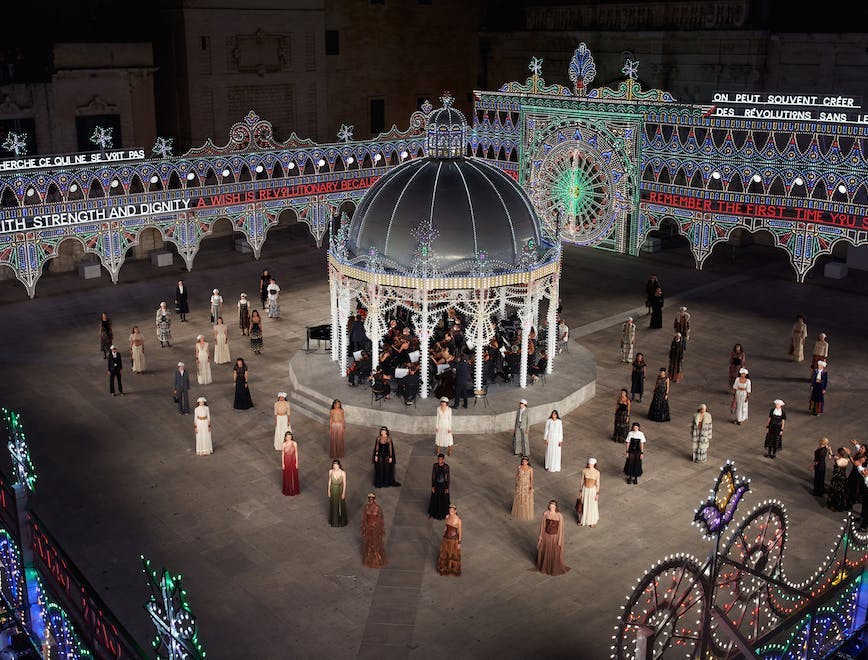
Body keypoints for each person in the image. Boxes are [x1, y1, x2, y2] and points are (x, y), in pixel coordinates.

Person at [537, 500, 569, 575]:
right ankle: (545, 566)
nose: (552, 507)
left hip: (555, 536)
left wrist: (560, 540)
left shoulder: (559, 515)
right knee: (546, 549)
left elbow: (561, 529)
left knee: (554, 551)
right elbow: (543, 526)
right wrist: (541, 536)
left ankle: (552, 566)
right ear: (549, 506)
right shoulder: (546, 513)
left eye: (553, 506)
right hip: (546, 535)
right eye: (550, 506)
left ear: (556, 507)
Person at [360, 493, 386, 568]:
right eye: (369, 499)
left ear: (374, 499)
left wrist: (379, 528)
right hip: (369, 527)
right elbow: (364, 518)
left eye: (372, 499)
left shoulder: (378, 508)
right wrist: (365, 527)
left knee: (375, 542)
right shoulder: (366, 507)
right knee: (369, 543)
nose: (371, 500)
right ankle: (369, 556)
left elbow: (380, 519)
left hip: (375, 527)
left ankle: (376, 557)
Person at [437, 504, 462, 576]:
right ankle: (445, 568)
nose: (450, 512)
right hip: (446, 538)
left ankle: (451, 570)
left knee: (452, 554)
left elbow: (460, 532)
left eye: (452, 511)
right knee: (445, 553)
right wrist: (445, 530)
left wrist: (459, 543)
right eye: (449, 511)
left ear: (455, 511)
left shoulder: (459, 520)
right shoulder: (447, 517)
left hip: (453, 540)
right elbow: (446, 526)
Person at [577, 458, 600, 527]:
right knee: (584, 504)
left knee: (592, 505)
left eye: (591, 463)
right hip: (585, 489)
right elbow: (582, 481)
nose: (590, 464)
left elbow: (598, 483)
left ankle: (592, 521)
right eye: (589, 463)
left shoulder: (597, 472)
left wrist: (597, 493)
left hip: (592, 490)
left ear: (594, 464)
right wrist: (580, 491)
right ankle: (582, 520)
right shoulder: (584, 470)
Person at [828, 447, 852, 511]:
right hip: (843, 477)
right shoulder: (846, 460)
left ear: (839, 454)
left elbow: (835, 460)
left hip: (837, 477)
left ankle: (834, 505)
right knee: (842, 491)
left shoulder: (837, 461)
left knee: (835, 491)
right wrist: (831, 451)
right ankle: (842, 504)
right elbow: (836, 457)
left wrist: (830, 456)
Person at [511, 455, 534, 521]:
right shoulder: (519, 467)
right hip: (520, 485)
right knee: (519, 497)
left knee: (526, 498)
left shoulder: (530, 469)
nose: (524, 462)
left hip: (526, 485)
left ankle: (525, 511)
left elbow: (531, 478)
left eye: (525, 461)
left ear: (527, 462)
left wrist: (531, 487)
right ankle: (520, 511)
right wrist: (516, 483)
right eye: (523, 461)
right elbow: (517, 475)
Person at [428, 454, 451, 520]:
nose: (439, 460)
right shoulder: (435, 465)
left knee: (444, 498)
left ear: (443, 460)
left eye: (441, 459)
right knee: (434, 498)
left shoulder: (446, 466)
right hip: (436, 484)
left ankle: (446, 513)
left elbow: (448, 478)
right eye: (438, 459)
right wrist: (433, 486)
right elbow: (433, 476)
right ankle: (432, 513)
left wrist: (447, 488)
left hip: (443, 484)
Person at [327, 459, 347, 526]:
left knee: (340, 503)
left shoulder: (343, 473)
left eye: (336, 465)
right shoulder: (330, 471)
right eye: (333, 465)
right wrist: (328, 491)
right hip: (333, 489)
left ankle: (341, 520)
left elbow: (344, 483)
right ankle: (334, 520)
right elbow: (329, 482)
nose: (334, 466)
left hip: (340, 489)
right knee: (333, 504)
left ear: (339, 465)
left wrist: (343, 493)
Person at [281, 431, 300, 496]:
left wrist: (297, 462)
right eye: (287, 437)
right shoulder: (283, 444)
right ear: (285, 437)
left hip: (293, 460)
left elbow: (296, 453)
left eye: (290, 437)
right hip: (286, 460)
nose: (288, 438)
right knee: (287, 474)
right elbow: (283, 454)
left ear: (291, 437)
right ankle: (288, 489)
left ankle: (293, 489)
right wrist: (283, 463)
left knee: (293, 474)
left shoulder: (294, 443)